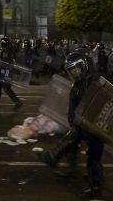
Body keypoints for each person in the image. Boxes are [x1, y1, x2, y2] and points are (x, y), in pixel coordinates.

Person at [38, 52, 105, 199]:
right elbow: (73, 109)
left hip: (97, 127)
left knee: (94, 158)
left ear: (84, 66)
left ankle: (96, 188)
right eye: (72, 70)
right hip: (84, 125)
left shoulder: (97, 82)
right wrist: (73, 123)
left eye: (76, 69)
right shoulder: (78, 86)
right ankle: (65, 163)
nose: (74, 72)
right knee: (74, 143)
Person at [0, 38, 23, 110]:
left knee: (6, 87)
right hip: (3, 70)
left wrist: (7, 75)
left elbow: (9, 62)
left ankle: (17, 102)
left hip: (7, 71)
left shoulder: (9, 51)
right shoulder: (4, 50)